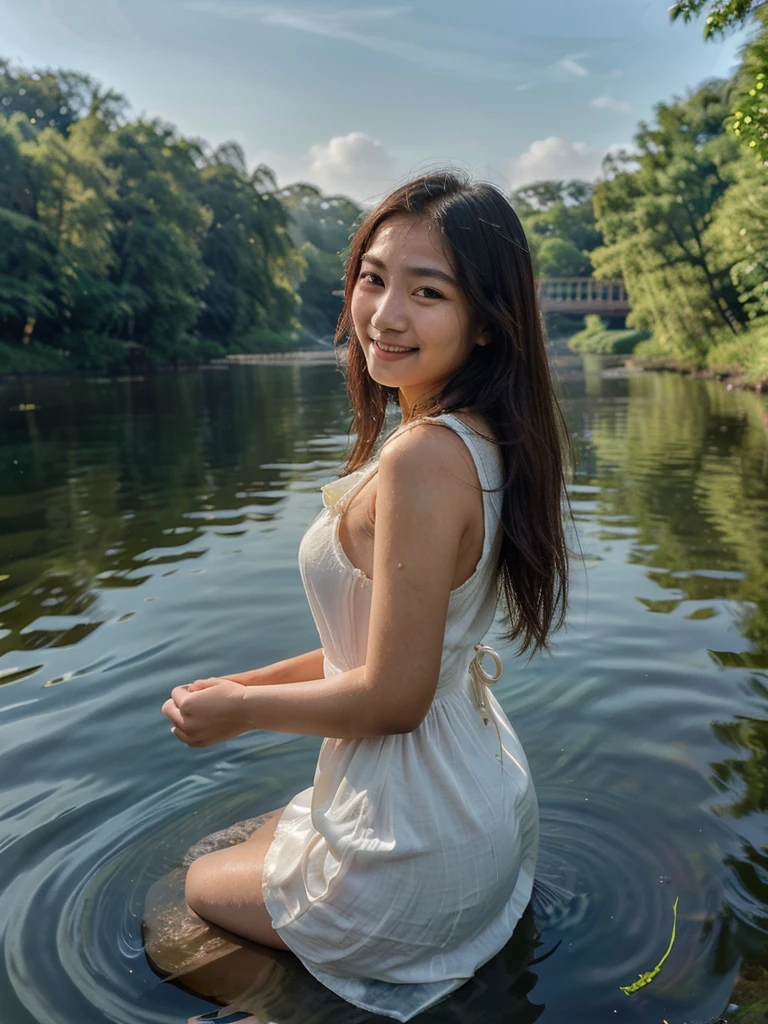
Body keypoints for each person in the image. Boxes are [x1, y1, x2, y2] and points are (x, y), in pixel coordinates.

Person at [161, 170, 571, 1022]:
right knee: (262, 837)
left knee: (181, 905)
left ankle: (312, 1011)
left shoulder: (423, 458)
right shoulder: (491, 437)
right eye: (374, 277)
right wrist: (247, 685)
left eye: (428, 292)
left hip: (416, 844)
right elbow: (383, 648)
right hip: (476, 803)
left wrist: (240, 711)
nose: (385, 314)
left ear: (488, 321)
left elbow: (392, 697)